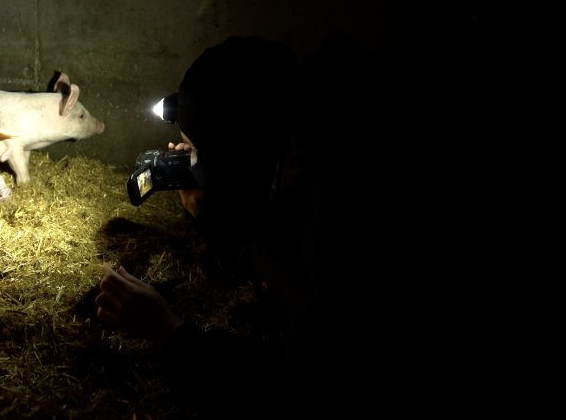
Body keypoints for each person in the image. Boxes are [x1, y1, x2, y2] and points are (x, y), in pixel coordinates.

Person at [95, 32, 446, 416]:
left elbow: (302, 382)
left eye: (195, 150)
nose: (189, 161)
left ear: (235, 158)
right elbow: (267, 256)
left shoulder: (343, 214)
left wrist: (170, 332)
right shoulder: (312, 144)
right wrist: (209, 217)